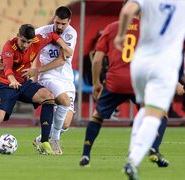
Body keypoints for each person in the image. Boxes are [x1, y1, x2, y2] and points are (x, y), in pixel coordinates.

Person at [79, 8, 171, 168]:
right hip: (139, 81)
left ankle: (86, 154)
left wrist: (96, 83)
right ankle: (154, 149)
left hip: (115, 82)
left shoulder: (112, 28)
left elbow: (97, 60)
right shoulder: (147, 28)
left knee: (97, 116)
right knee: (159, 113)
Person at [114, 0, 185, 179]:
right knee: (155, 114)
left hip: (140, 62)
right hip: (165, 63)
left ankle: (132, 153)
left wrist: (120, 35)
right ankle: (133, 161)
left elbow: (127, 11)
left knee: (145, 109)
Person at [0, 24, 73, 155]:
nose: (25, 45)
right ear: (18, 36)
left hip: (22, 82)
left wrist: (65, 46)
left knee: (48, 95)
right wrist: (12, 80)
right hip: (5, 83)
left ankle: (44, 142)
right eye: (23, 41)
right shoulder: (9, 46)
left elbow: (52, 35)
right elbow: (7, 68)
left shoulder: (36, 41)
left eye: (28, 42)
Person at [24, 6, 77, 155]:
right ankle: (53, 141)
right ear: (54, 18)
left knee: (65, 124)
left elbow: (61, 61)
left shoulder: (71, 33)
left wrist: (37, 69)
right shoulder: (41, 32)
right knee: (65, 101)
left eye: (63, 24)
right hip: (48, 77)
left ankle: (41, 139)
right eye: (57, 23)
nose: (60, 27)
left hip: (66, 79)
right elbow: (25, 47)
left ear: (69, 22)